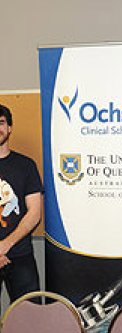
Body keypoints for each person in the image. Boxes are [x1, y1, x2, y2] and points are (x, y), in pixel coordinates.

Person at [0, 104, 43, 306]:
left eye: (1, 123)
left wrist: (5, 245)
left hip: (20, 255)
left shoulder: (26, 165)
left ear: (9, 127)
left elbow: (34, 213)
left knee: (29, 317)